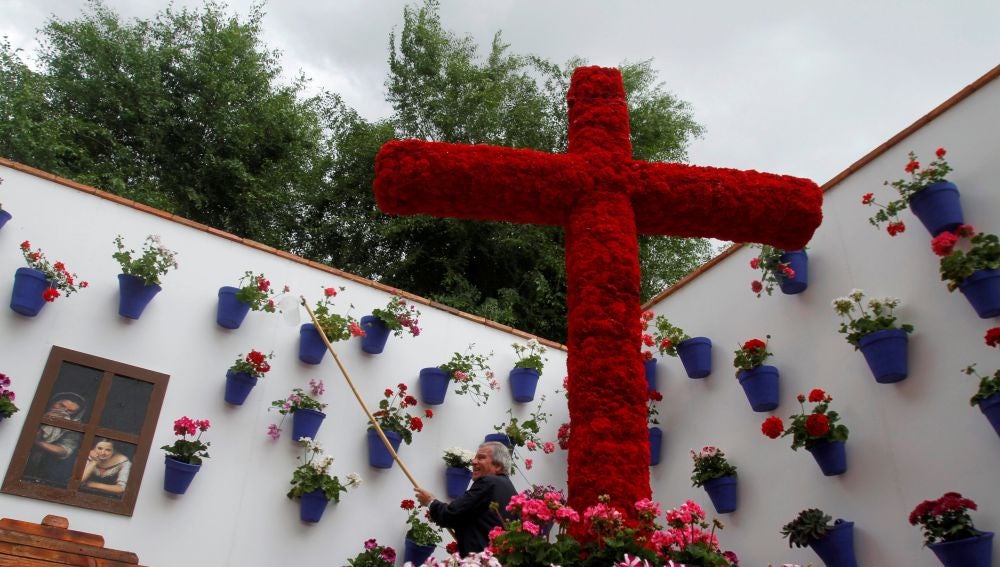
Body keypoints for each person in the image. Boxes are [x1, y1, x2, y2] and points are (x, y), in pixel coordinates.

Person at [414, 441, 517, 556]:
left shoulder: (489, 482)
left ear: (497, 466)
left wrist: (430, 502)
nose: (473, 462)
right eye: (474, 458)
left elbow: (451, 514)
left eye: (481, 458)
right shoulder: (510, 489)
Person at [23, 392, 87, 486]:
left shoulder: (74, 424)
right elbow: (28, 435)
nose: (63, 411)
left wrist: (38, 442)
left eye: (70, 411)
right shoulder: (37, 409)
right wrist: (46, 419)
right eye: (61, 405)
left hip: (46, 464)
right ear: (54, 401)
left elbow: (65, 450)